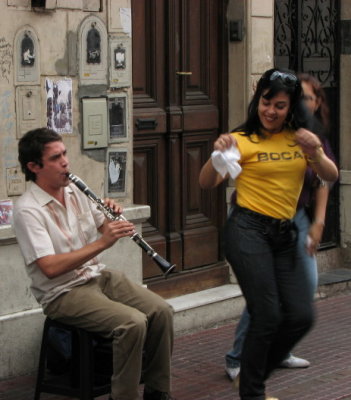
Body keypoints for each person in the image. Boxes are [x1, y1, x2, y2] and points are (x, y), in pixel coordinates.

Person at [199, 68, 338, 400]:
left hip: (284, 233)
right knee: (267, 313)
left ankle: (251, 371)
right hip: (247, 229)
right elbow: (207, 182)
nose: (271, 111)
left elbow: (329, 176)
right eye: (266, 103)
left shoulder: (302, 139)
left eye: (279, 105)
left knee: (301, 316)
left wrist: (316, 152)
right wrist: (217, 154)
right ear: (257, 101)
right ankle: (253, 392)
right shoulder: (242, 139)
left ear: (291, 108)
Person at [12, 128, 174, 400]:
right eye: (55, 158)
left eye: (64, 153)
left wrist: (113, 215)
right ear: (34, 167)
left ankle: (158, 391)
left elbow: (104, 226)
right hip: (62, 292)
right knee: (132, 323)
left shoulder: (74, 189)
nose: (65, 162)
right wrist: (103, 243)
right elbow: (49, 267)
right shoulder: (28, 210)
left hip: (97, 276)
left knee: (162, 312)